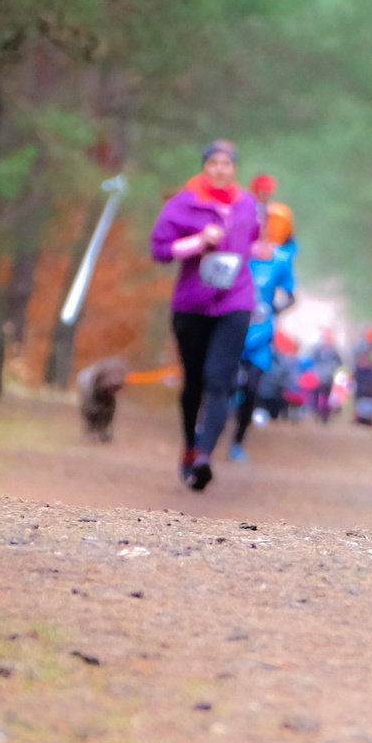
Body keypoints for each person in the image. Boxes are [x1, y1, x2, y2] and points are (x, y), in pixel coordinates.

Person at [152, 140, 265, 491]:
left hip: (235, 301)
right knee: (195, 382)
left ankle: (203, 456)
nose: (220, 169)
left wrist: (260, 250)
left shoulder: (248, 204)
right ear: (204, 166)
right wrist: (200, 241)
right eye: (214, 162)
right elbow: (161, 250)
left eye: (226, 163)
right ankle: (190, 445)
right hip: (191, 304)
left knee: (220, 380)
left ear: (234, 169)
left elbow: (252, 240)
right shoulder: (183, 204)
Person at [228, 186, 297, 459]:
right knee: (223, 384)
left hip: (261, 336)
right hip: (232, 328)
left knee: (252, 389)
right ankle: (207, 429)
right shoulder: (241, 252)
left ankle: (238, 442)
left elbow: (291, 296)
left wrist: (273, 310)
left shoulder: (281, 261)